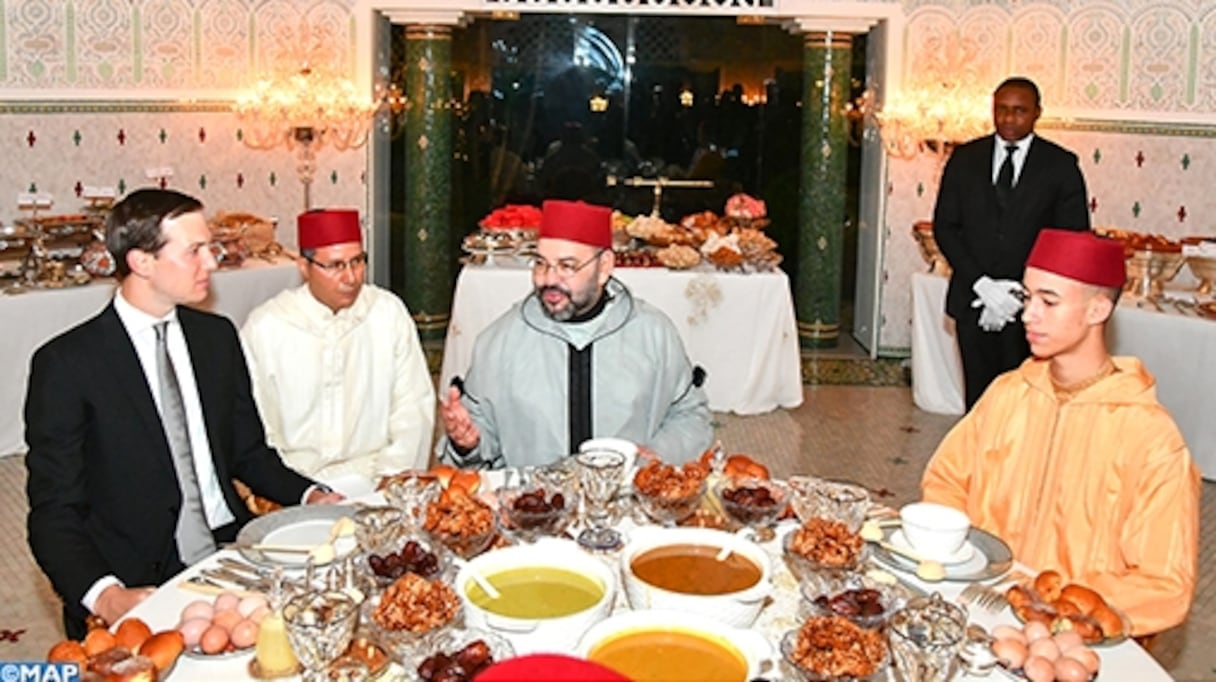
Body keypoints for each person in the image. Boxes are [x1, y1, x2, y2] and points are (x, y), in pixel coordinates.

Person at [24, 188, 343, 639]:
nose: (211, 264)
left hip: (230, 546)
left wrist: (311, 495)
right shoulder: (68, 365)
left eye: (209, 248)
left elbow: (248, 453)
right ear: (141, 262)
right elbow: (53, 513)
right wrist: (107, 595)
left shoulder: (215, 338)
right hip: (135, 573)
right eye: (194, 251)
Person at [921, 229, 1200, 636]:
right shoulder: (1008, 394)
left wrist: (1056, 608)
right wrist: (965, 557)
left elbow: (1164, 581)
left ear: (1097, 310)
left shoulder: (1149, 434)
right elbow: (946, 480)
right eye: (1027, 297)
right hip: (981, 611)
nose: (1028, 314)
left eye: (1049, 302)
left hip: (1075, 641)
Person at [438, 199, 712, 469]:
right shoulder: (499, 341)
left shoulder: (653, 334)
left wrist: (657, 454)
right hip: (534, 506)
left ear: (604, 267)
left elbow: (690, 416)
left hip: (627, 503)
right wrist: (467, 443)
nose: (549, 280)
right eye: (541, 264)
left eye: (567, 266)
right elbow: (479, 432)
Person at [241, 209, 435, 485]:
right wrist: (287, 487)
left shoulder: (386, 312)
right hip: (298, 480)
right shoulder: (267, 327)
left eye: (357, 262)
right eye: (335, 266)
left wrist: (393, 475)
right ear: (303, 267)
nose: (351, 277)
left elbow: (413, 404)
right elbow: (257, 423)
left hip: (376, 475)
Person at [933, 76, 1091, 409]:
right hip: (973, 301)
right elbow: (946, 227)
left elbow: (1071, 237)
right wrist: (982, 285)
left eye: (1019, 111)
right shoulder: (964, 158)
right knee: (978, 398)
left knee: (1024, 400)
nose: (1008, 119)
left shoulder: (1060, 165)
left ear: (1037, 113)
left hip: (1033, 308)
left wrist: (1021, 291)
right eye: (1001, 110)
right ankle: (977, 460)